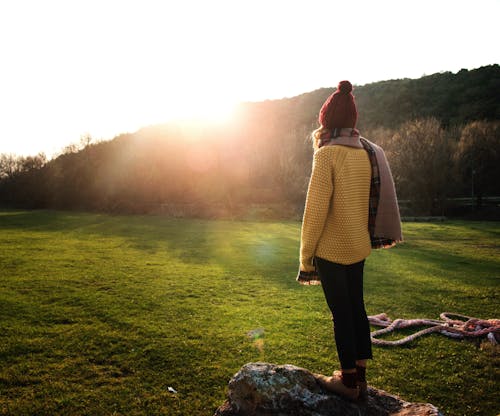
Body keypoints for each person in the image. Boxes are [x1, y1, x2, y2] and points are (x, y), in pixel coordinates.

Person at [297, 80, 402, 400]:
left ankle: (348, 383)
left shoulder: (327, 154)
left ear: (326, 120)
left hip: (332, 249)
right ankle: (360, 376)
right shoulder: (368, 152)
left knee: (341, 314)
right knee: (356, 308)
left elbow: (314, 213)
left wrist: (305, 257)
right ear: (352, 120)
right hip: (358, 245)